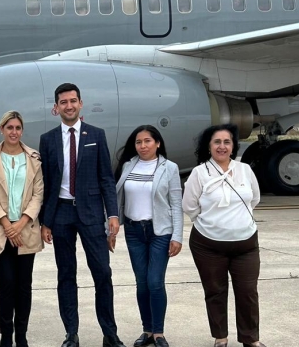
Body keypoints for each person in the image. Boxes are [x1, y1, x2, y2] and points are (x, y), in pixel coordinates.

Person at [38, 83, 126, 347]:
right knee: (66, 274)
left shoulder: (96, 135)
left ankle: (110, 334)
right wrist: (46, 220)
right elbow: (45, 183)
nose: (69, 106)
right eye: (63, 102)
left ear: (81, 103)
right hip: (61, 213)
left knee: (102, 273)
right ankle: (71, 333)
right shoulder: (48, 139)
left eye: (73, 101)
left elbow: (106, 179)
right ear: (56, 108)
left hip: (90, 214)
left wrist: (113, 214)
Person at [183, 124, 265, 347]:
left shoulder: (245, 170)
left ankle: (250, 338)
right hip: (208, 245)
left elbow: (254, 199)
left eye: (226, 142)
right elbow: (189, 206)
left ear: (233, 146)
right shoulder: (199, 173)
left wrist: (236, 222)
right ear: (208, 147)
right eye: (216, 142)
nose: (222, 146)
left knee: (248, 292)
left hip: (246, 243)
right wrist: (214, 223)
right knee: (215, 291)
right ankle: (221, 337)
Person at [0, 111, 44, 347]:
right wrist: (7, 225)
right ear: (2, 130)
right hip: (1, 230)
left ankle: (22, 336)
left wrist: (21, 223)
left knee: (24, 286)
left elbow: (38, 195)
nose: (13, 132)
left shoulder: (34, 158)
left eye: (17, 128)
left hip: (26, 230)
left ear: (21, 130)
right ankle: (6, 336)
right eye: (9, 128)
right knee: (6, 284)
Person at [113, 126, 183, 347]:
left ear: (158, 143)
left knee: (154, 282)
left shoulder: (169, 168)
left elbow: (176, 204)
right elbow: (118, 200)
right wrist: (111, 230)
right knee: (142, 283)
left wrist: (178, 236)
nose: (142, 146)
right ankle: (147, 330)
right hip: (133, 231)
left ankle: (159, 332)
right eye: (138, 142)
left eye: (147, 141)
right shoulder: (128, 165)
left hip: (159, 232)